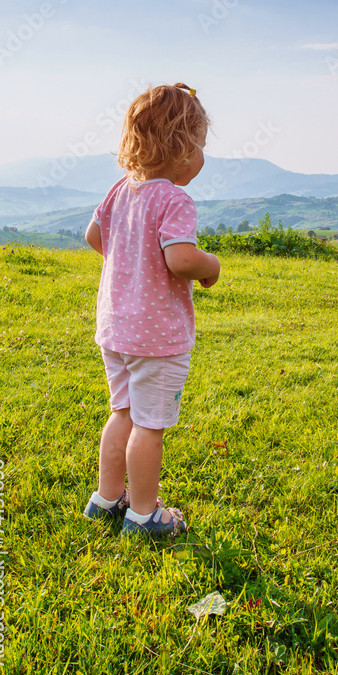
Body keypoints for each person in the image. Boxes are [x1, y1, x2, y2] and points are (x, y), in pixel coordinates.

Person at [82, 83, 221, 538]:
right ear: (183, 151)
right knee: (150, 425)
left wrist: (124, 260)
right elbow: (180, 259)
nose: (202, 155)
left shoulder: (120, 190)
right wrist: (210, 267)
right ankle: (144, 516)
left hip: (116, 329)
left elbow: (93, 237)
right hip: (156, 339)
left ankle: (106, 499)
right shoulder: (174, 199)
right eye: (200, 145)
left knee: (121, 412)